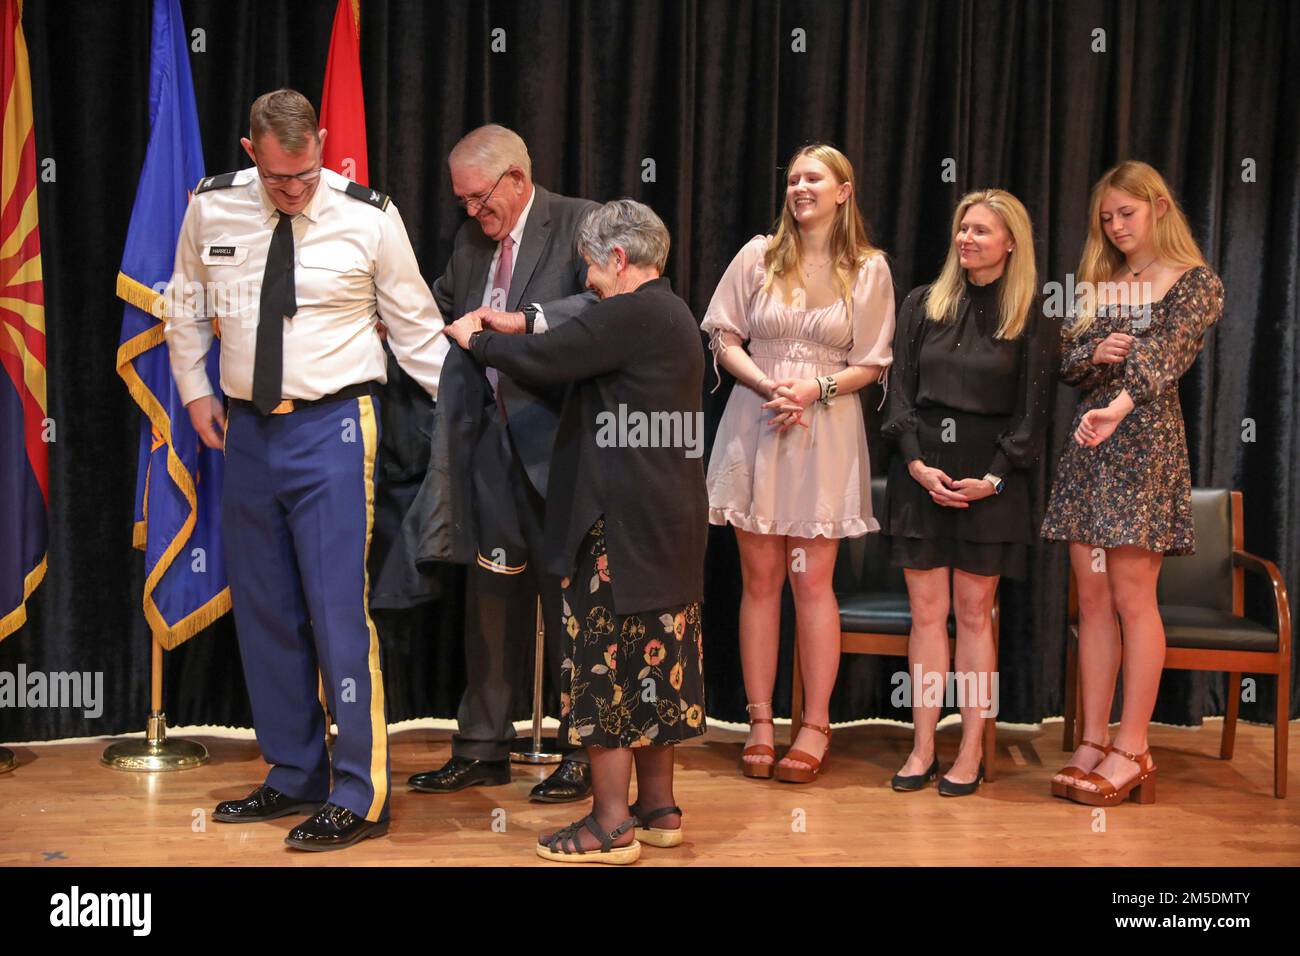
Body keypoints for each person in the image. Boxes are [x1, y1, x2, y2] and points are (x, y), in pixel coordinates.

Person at [162, 89, 447, 850]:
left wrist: (472, 411)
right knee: (264, 609)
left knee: (336, 612)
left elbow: (418, 330)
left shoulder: (368, 216)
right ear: (251, 152)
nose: (296, 190)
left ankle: (359, 790)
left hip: (334, 429)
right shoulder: (211, 208)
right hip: (246, 433)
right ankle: (294, 772)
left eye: (308, 172)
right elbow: (185, 305)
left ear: (321, 143)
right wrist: (194, 394)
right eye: (281, 177)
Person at [446, 199, 707, 864]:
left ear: (619, 260)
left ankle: (609, 824)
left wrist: (477, 339)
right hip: (666, 523)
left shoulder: (629, 312)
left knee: (604, 673)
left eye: (591, 269)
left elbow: (547, 359)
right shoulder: (670, 313)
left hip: (615, 527)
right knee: (655, 669)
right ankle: (658, 810)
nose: (587, 283)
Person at [406, 125, 600, 803]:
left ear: (517, 179)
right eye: (461, 202)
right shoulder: (468, 243)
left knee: (571, 603)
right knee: (489, 602)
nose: (471, 214)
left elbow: (609, 304)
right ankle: (482, 746)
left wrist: (531, 319)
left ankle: (585, 751)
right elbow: (435, 307)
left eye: (480, 199)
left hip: (561, 448)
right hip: (487, 449)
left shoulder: (581, 223)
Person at [702, 144, 894, 784]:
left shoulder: (869, 269)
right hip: (757, 419)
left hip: (825, 426)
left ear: (844, 190)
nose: (800, 188)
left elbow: (871, 361)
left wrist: (816, 390)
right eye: (792, 179)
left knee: (813, 583)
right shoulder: (757, 255)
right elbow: (722, 335)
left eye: (814, 178)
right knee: (760, 582)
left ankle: (814, 726)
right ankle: (760, 721)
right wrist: (767, 386)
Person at [1041, 160, 1224, 807]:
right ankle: (1093, 738)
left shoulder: (1194, 281)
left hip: (1142, 446)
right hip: (1092, 449)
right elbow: (1066, 359)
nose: (1117, 226)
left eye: (1128, 213)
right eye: (1108, 217)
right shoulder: (1103, 284)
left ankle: (1132, 746)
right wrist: (1095, 354)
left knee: (1131, 597)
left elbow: (1167, 356)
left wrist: (1116, 403)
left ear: (1159, 209)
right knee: (1090, 599)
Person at [881, 189, 1057, 796]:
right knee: (927, 616)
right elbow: (898, 395)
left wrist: (996, 477)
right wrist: (917, 466)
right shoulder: (920, 304)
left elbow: (1034, 415)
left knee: (975, 616)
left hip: (993, 480)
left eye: (981, 230)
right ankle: (923, 745)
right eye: (962, 229)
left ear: (1011, 242)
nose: (967, 239)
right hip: (922, 476)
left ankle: (972, 749)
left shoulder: (1032, 311)